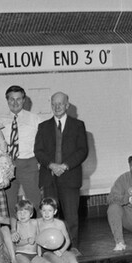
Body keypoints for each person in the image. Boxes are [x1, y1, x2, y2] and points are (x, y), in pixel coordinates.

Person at [33, 91, 88, 250]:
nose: (57, 107)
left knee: (71, 216)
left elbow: (82, 151)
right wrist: (51, 165)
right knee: (49, 216)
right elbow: (38, 151)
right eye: (54, 104)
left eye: (60, 103)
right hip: (49, 177)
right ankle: (50, 247)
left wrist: (64, 166)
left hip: (70, 177)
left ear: (67, 105)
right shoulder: (43, 127)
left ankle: (73, 247)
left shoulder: (78, 125)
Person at [0, 85, 42, 221]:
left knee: (35, 200)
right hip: (8, 165)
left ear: (24, 100)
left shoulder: (35, 119)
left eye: (18, 99)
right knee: (8, 202)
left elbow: (43, 143)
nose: (15, 103)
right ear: (7, 101)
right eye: (11, 99)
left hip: (29, 163)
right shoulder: (0, 121)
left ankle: (39, 232)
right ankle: (14, 233)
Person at [34, 196, 79, 263]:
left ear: (55, 211)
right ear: (40, 211)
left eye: (50, 210)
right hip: (46, 252)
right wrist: (39, 255)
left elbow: (68, 240)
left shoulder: (59, 224)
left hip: (60, 249)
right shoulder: (37, 223)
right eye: (44, 211)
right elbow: (38, 241)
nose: (47, 213)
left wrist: (61, 251)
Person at [9, 199, 40, 263]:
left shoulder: (35, 223)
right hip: (20, 254)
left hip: (34, 254)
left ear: (31, 214)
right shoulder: (16, 225)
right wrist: (27, 241)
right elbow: (16, 243)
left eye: (25, 212)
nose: (22, 215)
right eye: (19, 212)